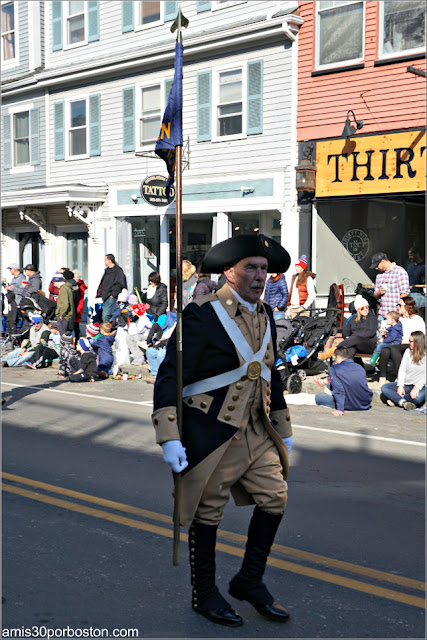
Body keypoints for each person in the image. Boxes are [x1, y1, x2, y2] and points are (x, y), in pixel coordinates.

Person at [153, 234, 293, 627]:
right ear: (229, 272)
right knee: (207, 512)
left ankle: (249, 579)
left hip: (256, 431)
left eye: (264, 269)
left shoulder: (265, 313)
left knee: (275, 498)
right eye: (251, 267)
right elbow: (170, 376)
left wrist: (283, 426)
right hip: (212, 432)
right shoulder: (200, 314)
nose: (260, 275)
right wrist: (169, 435)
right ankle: (205, 593)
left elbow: (270, 373)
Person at [377, 295, 425, 386]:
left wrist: (407, 341)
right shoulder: (399, 320)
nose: (397, 307)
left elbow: (421, 336)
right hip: (397, 343)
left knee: (395, 349)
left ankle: (400, 376)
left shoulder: (417, 320)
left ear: (407, 306)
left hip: (410, 344)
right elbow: (392, 335)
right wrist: (385, 335)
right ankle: (382, 376)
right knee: (385, 350)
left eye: (400, 305)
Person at [319, 295, 377, 360]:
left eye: (367, 307)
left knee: (356, 339)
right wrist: (347, 336)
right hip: (354, 344)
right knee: (350, 351)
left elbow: (371, 332)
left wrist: (353, 337)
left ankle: (331, 352)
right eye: (363, 308)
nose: (366, 309)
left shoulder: (372, 318)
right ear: (358, 309)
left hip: (369, 344)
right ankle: (352, 368)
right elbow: (345, 331)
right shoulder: (352, 319)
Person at [381, 331, 425, 410]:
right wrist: (400, 385)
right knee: (384, 387)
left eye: (411, 341)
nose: (409, 343)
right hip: (407, 384)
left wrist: (417, 388)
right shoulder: (408, 351)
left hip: (421, 386)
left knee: (419, 398)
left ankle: (396, 399)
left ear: (418, 342)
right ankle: (403, 402)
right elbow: (402, 370)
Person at [370, 252, 410, 322]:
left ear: (383, 261)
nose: (376, 268)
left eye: (377, 265)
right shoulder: (379, 276)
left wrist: (400, 311)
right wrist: (379, 292)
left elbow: (404, 294)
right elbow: (376, 296)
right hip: (383, 314)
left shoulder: (400, 272)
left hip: (396, 316)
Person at [96, 254, 127, 322]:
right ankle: (108, 329)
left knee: (106, 315)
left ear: (110, 260)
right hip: (105, 296)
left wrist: (113, 295)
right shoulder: (107, 270)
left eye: (105, 259)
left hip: (111, 297)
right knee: (106, 315)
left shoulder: (118, 270)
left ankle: (107, 330)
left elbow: (120, 283)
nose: (104, 261)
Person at [56, 270, 75, 335]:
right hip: (68, 315)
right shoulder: (69, 287)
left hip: (64, 316)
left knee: (63, 335)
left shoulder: (64, 288)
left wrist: (61, 314)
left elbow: (65, 303)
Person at [71, 269, 87, 342]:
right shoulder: (79, 285)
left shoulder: (79, 286)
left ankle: (76, 339)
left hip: (77, 307)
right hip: (77, 306)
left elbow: (79, 298)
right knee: (75, 324)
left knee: (75, 325)